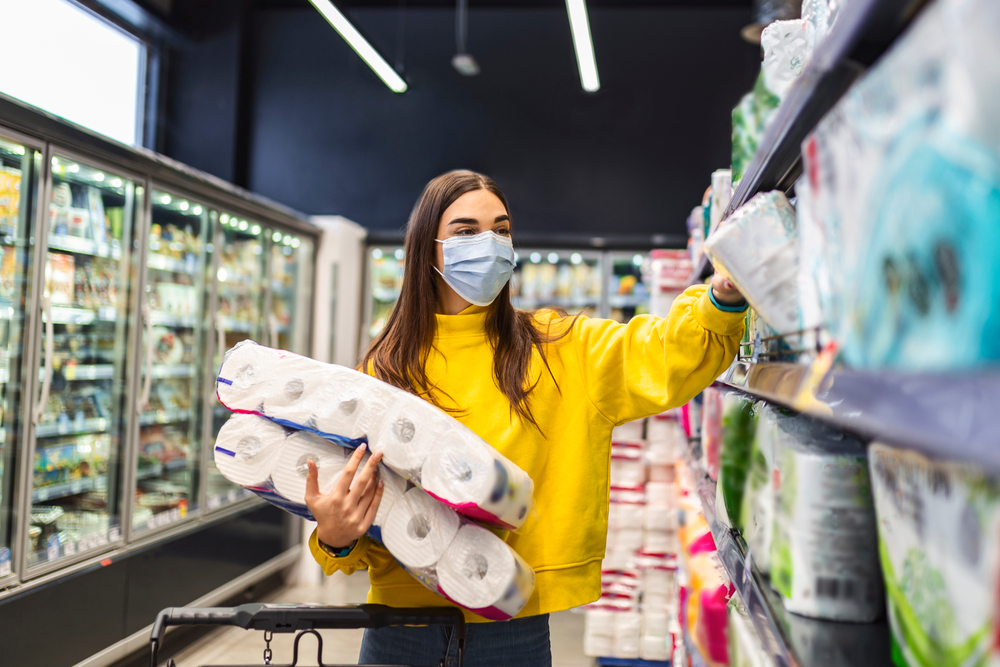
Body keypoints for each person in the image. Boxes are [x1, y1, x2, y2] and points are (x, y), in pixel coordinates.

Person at [303, 170, 747, 666]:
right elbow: (352, 514)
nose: (488, 244)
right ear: (428, 250)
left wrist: (721, 297)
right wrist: (335, 539)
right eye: (467, 231)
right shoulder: (381, 371)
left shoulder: (559, 347)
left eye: (502, 230)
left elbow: (664, 353)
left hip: (512, 627)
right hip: (400, 627)